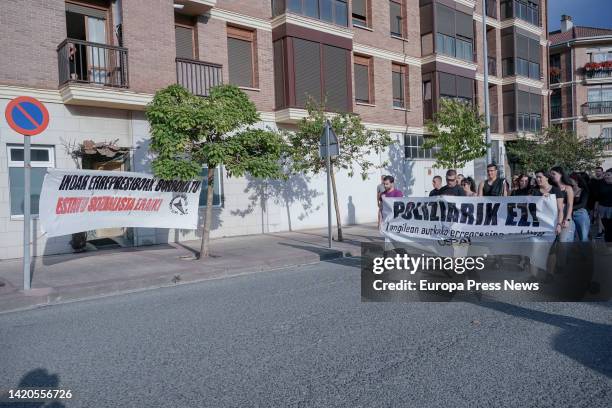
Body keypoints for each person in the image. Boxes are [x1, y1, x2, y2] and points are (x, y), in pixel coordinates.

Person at [529, 170, 565, 236]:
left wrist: (559, 224)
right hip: (538, 224)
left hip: (552, 224)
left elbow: (560, 209)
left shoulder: (556, 190)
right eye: (536, 177)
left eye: (540, 177)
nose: (538, 179)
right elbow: (529, 205)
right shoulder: (533, 191)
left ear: (547, 178)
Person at [550, 166, 575, 242]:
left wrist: (567, 219)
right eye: (550, 174)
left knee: (562, 240)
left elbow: (570, 205)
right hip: (553, 219)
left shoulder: (568, 188)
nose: (551, 176)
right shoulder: (551, 188)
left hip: (564, 218)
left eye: (553, 174)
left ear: (560, 174)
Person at [595, 168, 612, 242]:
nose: (606, 176)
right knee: (607, 229)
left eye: (608, 175)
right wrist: (596, 209)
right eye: (605, 175)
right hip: (603, 209)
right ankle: (608, 246)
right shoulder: (601, 184)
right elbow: (598, 198)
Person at [589, 166, 605, 239]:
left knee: (599, 215)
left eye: (599, 171)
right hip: (592, 200)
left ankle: (600, 231)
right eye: (596, 171)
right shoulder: (593, 180)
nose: (597, 172)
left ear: (602, 172)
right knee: (594, 215)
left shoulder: (604, 180)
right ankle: (598, 231)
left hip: (601, 200)